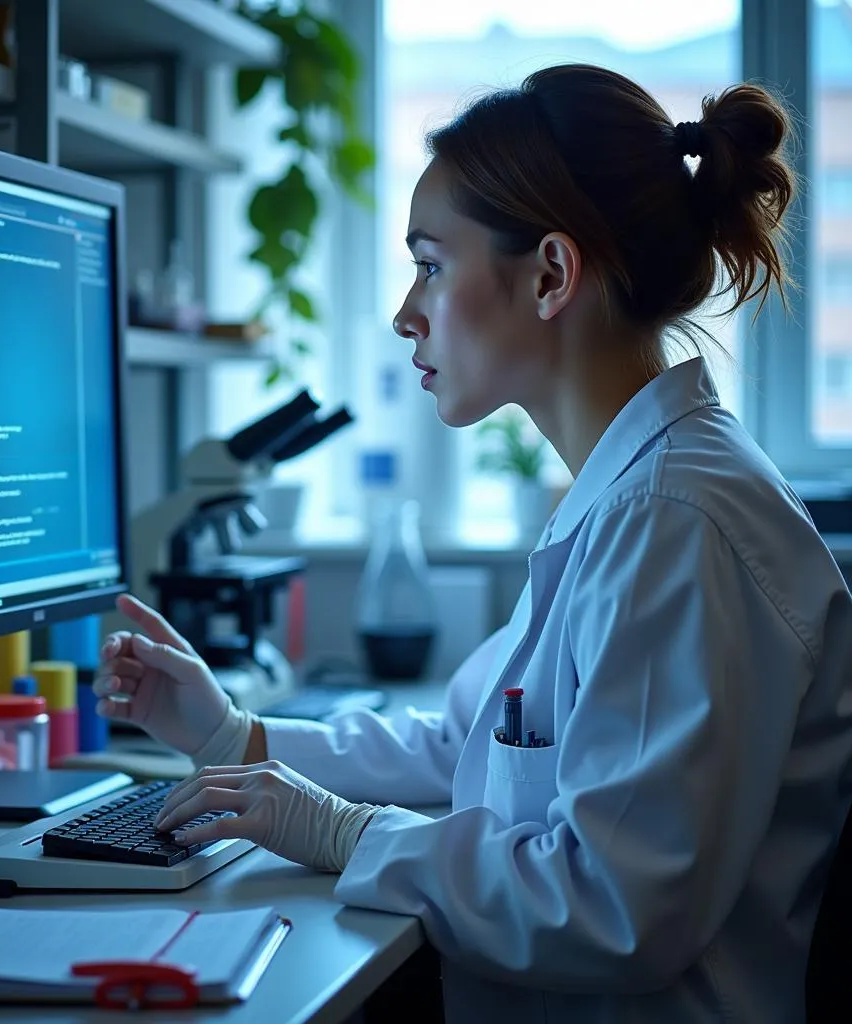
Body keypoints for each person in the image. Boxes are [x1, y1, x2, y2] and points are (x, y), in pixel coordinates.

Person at [94, 64, 852, 1023]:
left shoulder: (674, 523)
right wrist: (232, 736)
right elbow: (474, 746)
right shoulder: (629, 492)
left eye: (431, 264)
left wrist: (338, 830)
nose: (406, 311)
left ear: (549, 275)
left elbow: (614, 907)